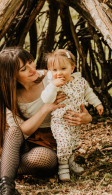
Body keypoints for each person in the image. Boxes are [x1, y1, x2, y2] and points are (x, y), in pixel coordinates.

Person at [0, 47, 93, 195]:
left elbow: (80, 97)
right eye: (23, 69)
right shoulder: (11, 95)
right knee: (14, 131)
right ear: (12, 75)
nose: (32, 69)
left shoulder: (51, 77)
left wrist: (86, 118)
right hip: (25, 142)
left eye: (30, 62)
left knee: (43, 159)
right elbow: (20, 132)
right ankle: (8, 192)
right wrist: (44, 109)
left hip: (54, 141)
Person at [41, 49, 103, 181]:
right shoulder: (53, 84)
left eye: (63, 68)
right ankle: (62, 166)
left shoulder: (80, 81)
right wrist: (53, 86)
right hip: (60, 120)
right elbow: (46, 99)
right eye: (55, 70)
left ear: (72, 68)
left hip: (75, 120)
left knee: (73, 143)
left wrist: (97, 104)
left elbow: (89, 93)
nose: (59, 73)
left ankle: (70, 161)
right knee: (64, 143)